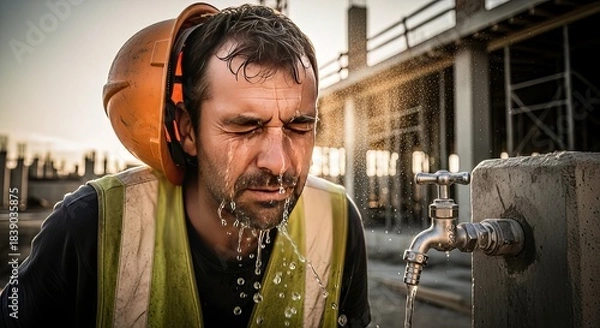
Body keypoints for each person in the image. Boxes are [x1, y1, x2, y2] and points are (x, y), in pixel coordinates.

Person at [0, 3, 371, 327]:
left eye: (298, 125)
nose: (278, 162)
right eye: (245, 127)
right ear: (187, 129)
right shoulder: (91, 227)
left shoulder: (338, 222)